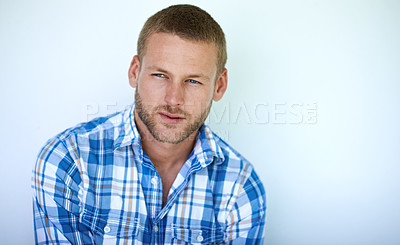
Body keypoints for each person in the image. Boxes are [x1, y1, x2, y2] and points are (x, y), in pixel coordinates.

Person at [32, 4, 266, 244]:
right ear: (135, 71)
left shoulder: (241, 188)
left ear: (219, 86)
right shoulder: (68, 160)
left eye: (193, 81)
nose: (174, 99)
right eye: (160, 75)